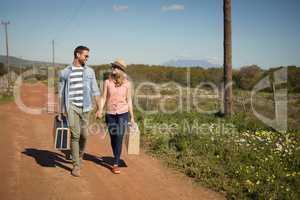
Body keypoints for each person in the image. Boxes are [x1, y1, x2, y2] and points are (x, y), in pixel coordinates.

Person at [58, 46, 102, 177]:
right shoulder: (65, 72)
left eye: (88, 56)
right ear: (77, 55)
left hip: (86, 107)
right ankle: (76, 164)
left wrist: (100, 108)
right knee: (75, 136)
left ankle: (80, 154)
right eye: (86, 56)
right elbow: (60, 93)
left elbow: (96, 90)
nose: (87, 58)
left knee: (84, 135)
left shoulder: (90, 71)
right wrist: (60, 111)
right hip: (71, 106)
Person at [98, 58, 135, 174]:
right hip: (110, 114)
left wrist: (132, 117)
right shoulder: (107, 82)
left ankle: (115, 163)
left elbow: (129, 100)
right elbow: (104, 97)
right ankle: (116, 156)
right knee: (114, 138)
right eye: (113, 66)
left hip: (123, 114)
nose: (114, 68)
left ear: (121, 70)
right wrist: (100, 109)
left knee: (119, 136)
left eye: (116, 67)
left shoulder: (127, 84)